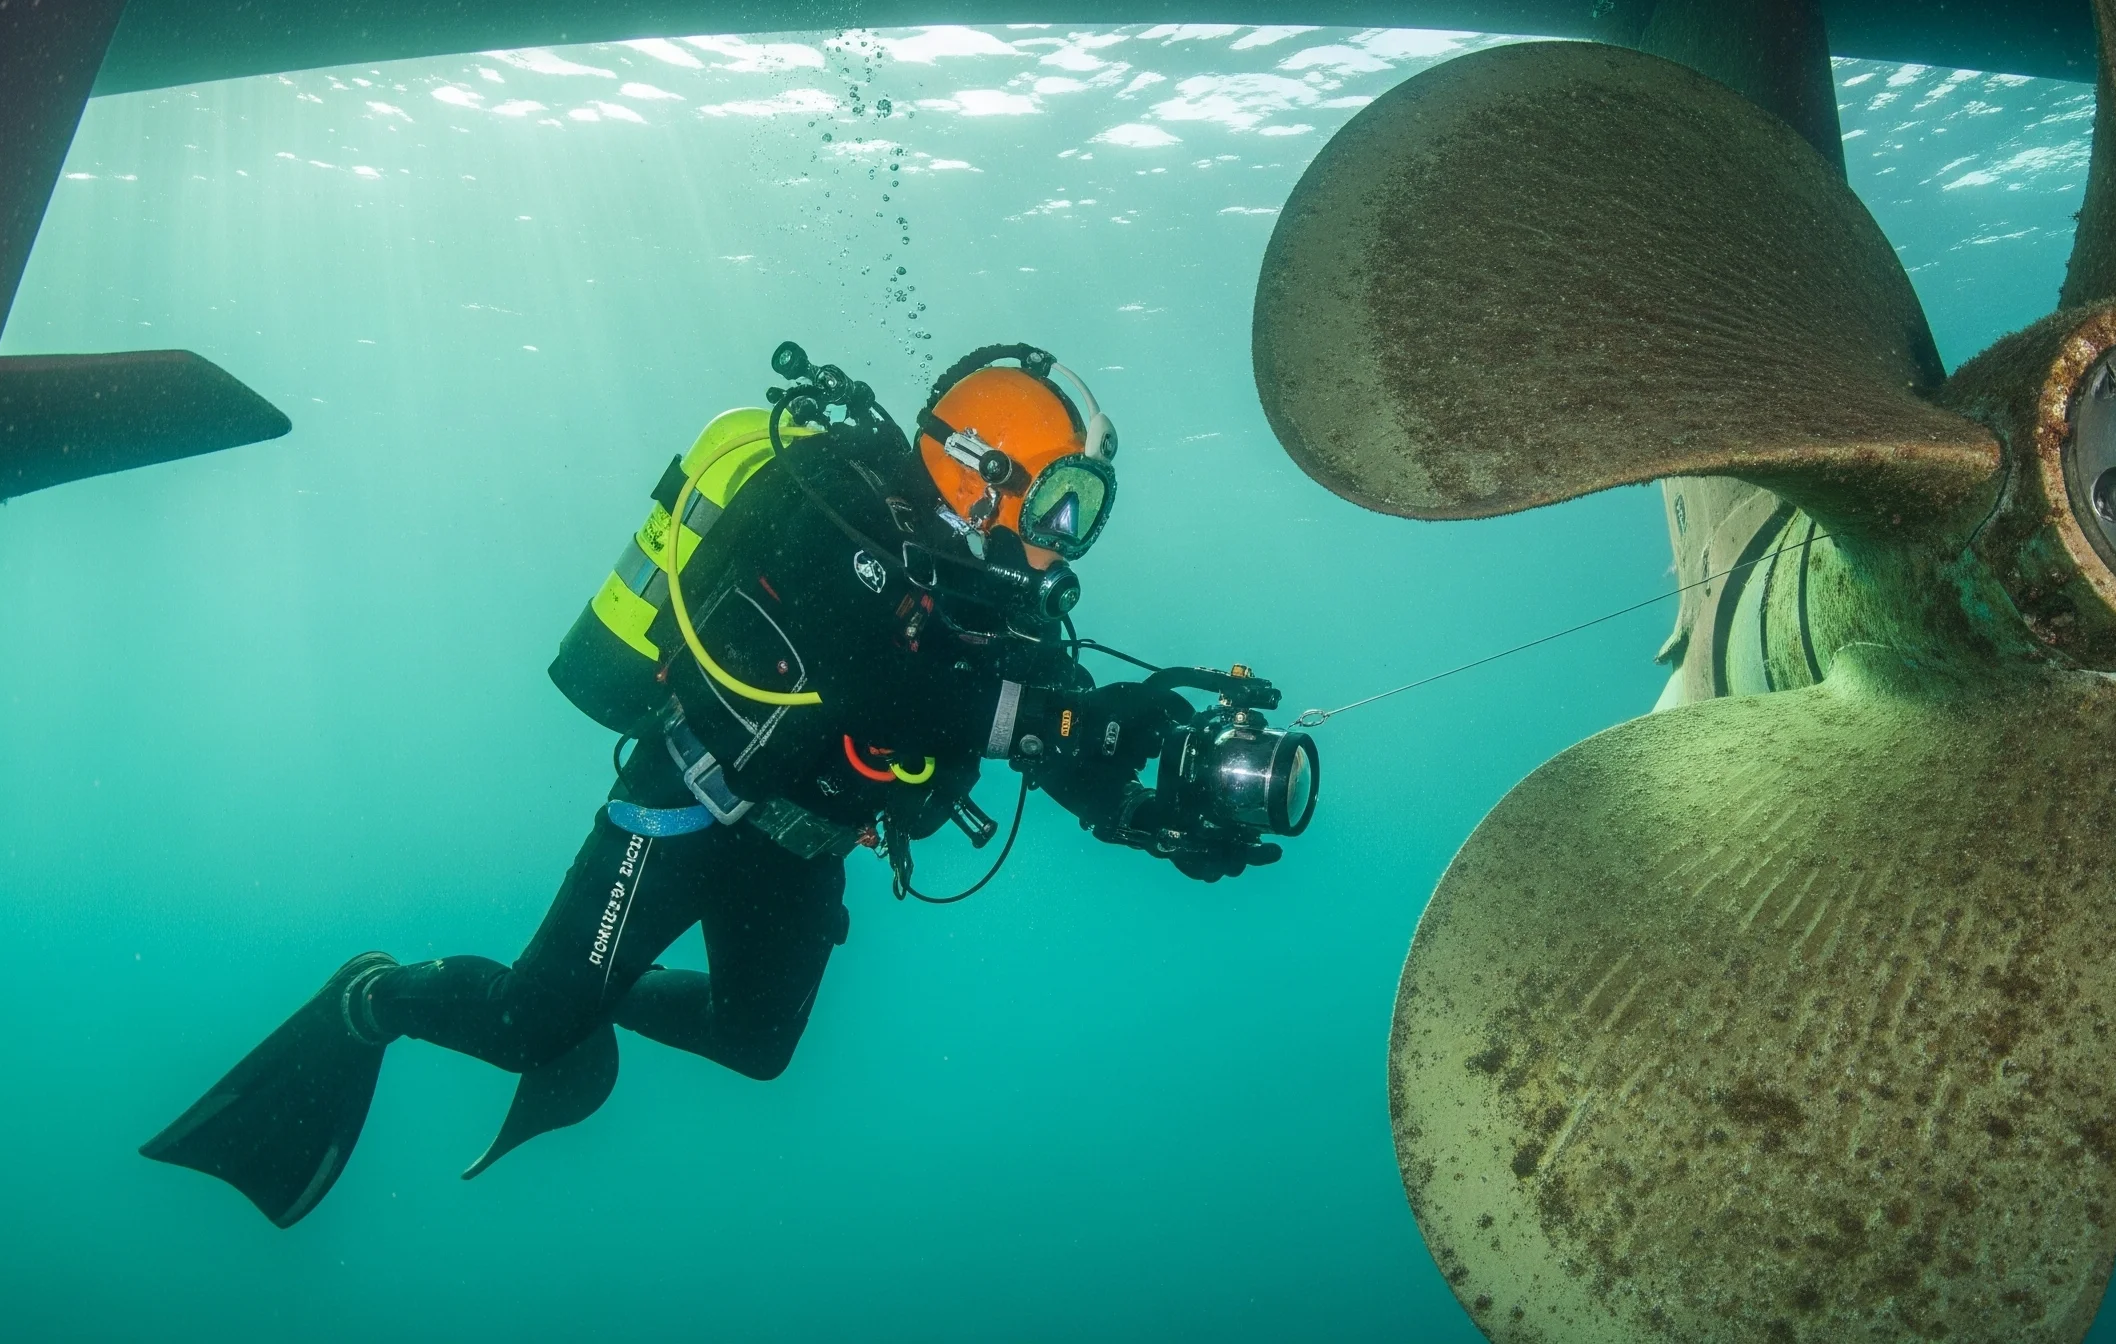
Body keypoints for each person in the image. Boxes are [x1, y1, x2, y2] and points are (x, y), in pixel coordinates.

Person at [143, 342, 1299, 1227]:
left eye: (1081, 512)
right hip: (684, 803)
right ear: (983, 470)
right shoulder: (830, 504)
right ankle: (376, 997)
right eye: (1058, 503)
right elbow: (871, 694)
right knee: (530, 1021)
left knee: (757, 1045)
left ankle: (595, 1001)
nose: (1065, 540)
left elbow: (1044, 742)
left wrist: (1146, 815)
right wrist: (1072, 717)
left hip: (802, 845)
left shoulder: (1003, 598)